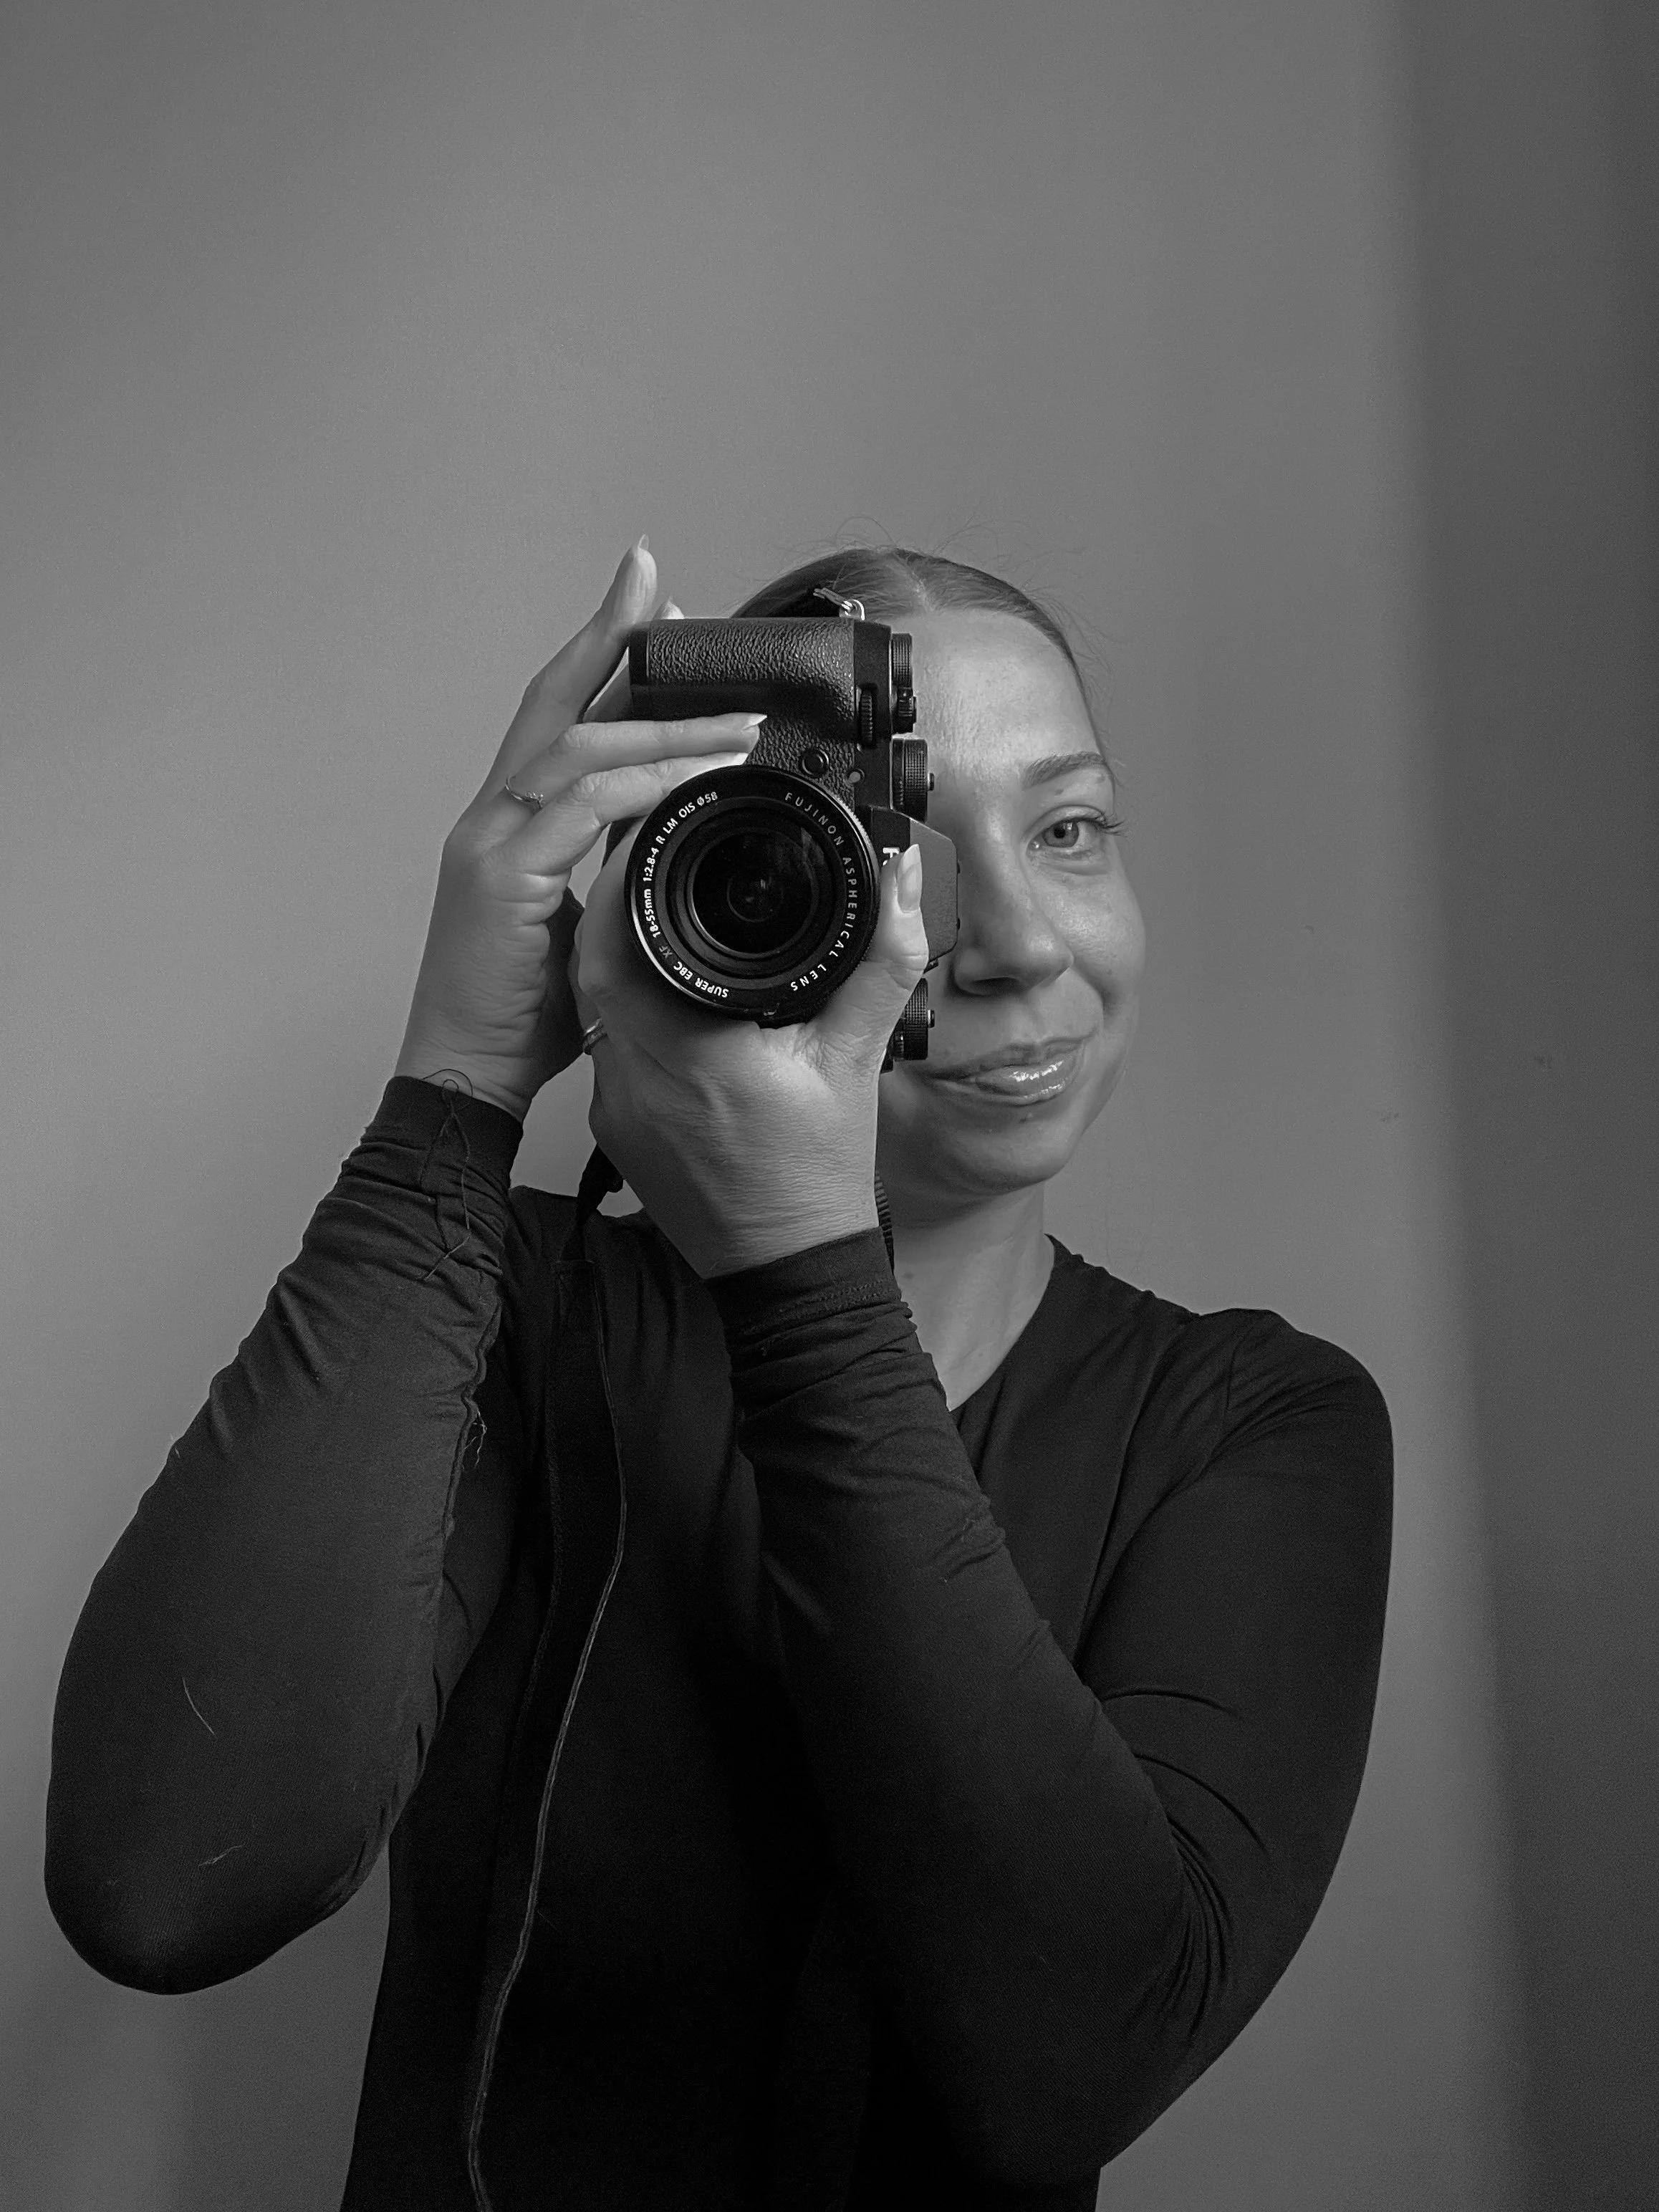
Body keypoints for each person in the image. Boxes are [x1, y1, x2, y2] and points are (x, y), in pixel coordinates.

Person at [44, 541, 1393, 2211]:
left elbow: (1066, 2066)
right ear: (729, 885)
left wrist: (800, 1270)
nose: (1017, 940)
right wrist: (453, 1086)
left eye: (1068, 826)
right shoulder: (512, 1312)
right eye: (898, 843)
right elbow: (163, 1879)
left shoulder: (1256, 1423)